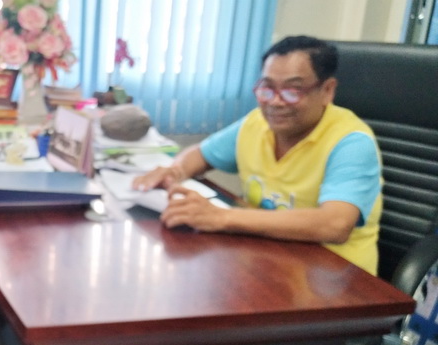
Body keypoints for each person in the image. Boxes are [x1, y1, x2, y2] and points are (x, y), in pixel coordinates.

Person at [133, 35, 382, 275]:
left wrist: (221, 217)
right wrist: (175, 171)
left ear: (327, 90)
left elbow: (335, 224)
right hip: (269, 259)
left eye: (292, 91)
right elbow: (201, 154)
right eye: (267, 89)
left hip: (335, 278)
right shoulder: (257, 123)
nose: (275, 102)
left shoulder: (352, 142)